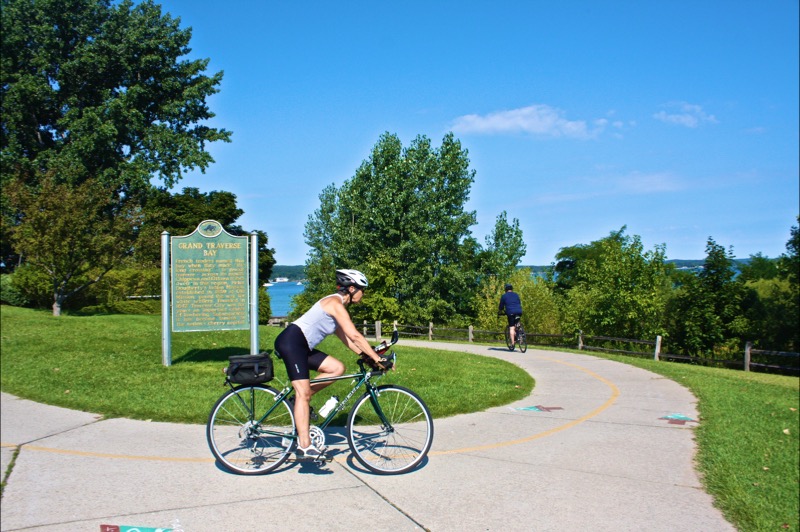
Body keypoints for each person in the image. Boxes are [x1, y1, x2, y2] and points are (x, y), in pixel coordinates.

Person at [274, 268, 387, 460]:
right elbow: (354, 335)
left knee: (336, 368)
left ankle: (299, 400)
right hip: (292, 343)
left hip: (302, 346)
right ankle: (304, 446)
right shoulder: (335, 304)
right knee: (303, 394)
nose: (363, 293)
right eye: (362, 289)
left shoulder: (337, 307)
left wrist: (367, 355)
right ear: (351, 288)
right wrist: (377, 358)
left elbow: (348, 340)